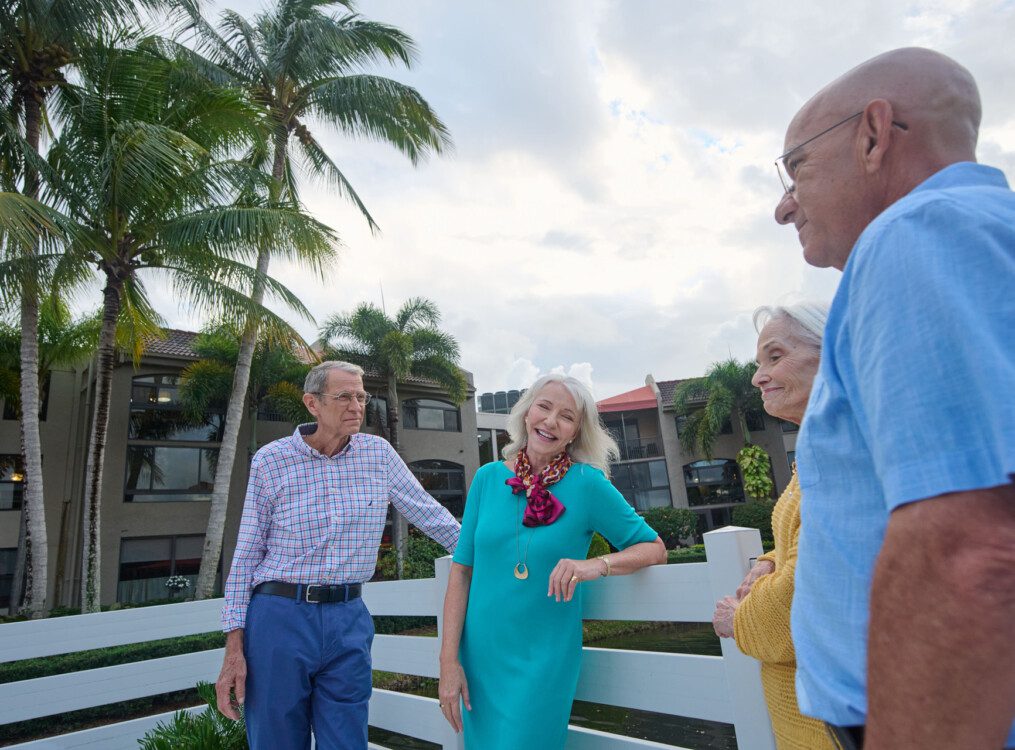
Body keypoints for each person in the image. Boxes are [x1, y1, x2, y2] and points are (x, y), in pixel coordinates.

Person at [773, 47, 1015, 749]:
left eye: (798, 168)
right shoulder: (976, 234)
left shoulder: (916, 235)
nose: (783, 204)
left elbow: (973, 549)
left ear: (873, 135)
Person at [215, 361, 461, 750]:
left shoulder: (378, 454)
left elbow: (431, 515)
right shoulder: (271, 460)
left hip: (349, 619)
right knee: (276, 740)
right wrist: (234, 649)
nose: (356, 406)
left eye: (361, 396)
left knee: (347, 741)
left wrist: (490, 556)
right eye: (344, 396)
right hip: (280, 616)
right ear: (312, 404)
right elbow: (245, 556)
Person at [437, 373, 667, 749]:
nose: (550, 421)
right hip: (480, 656)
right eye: (544, 407)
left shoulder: (588, 485)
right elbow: (461, 573)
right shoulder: (486, 478)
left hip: (543, 659)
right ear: (527, 413)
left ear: (575, 432)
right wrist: (448, 663)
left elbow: (654, 547)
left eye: (566, 416)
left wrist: (594, 566)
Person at [711, 302, 833, 750]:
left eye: (775, 357)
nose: (757, 377)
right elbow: (810, 539)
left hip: (830, 730)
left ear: (834, 350)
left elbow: (803, 604)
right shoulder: (817, 449)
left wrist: (738, 617)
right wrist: (767, 561)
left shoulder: (840, 453)